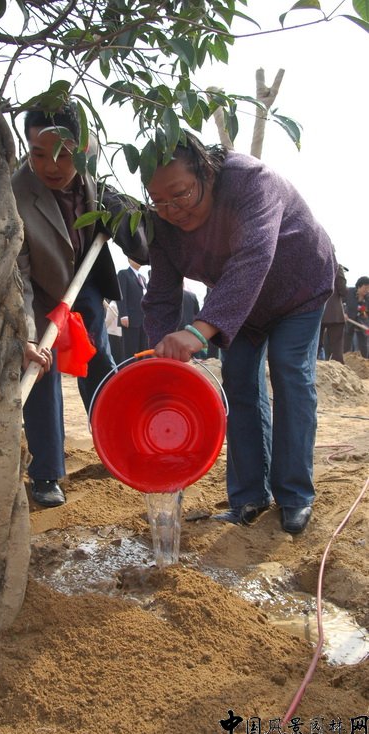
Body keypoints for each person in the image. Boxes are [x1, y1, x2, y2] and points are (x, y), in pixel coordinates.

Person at [142, 131, 336, 535]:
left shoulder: (250, 180)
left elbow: (253, 256)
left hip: (298, 287)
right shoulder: (162, 224)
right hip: (240, 304)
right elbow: (161, 294)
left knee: (289, 369)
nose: (172, 210)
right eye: (158, 201)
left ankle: (294, 494)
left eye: (180, 194)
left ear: (207, 173)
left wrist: (197, 331)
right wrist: (162, 355)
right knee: (238, 380)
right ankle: (249, 496)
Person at [13, 101, 148, 508]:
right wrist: (25, 334)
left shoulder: (93, 177)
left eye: (63, 155)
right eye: (39, 154)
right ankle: (46, 473)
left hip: (83, 280)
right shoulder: (15, 193)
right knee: (40, 369)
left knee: (98, 360)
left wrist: (118, 216)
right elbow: (17, 274)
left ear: (84, 148)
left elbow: (142, 246)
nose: (51, 166)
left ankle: (117, 445)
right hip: (38, 288)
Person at [117, 258, 149, 359]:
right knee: (130, 351)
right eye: (135, 258)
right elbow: (121, 295)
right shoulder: (124, 274)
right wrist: (123, 315)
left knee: (142, 351)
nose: (138, 260)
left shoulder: (143, 278)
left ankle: (141, 368)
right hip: (130, 320)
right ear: (129, 259)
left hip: (143, 321)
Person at [318, 262, 347, 364]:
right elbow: (343, 290)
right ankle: (338, 370)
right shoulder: (337, 266)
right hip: (335, 314)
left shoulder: (316, 263)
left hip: (317, 310)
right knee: (337, 348)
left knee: (315, 346)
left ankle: (314, 368)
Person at [344, 275, 369, 358]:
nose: (367, 290)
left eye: (368, 288)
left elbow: (366, 313)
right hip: (349, 321)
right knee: (346, 346)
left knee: (364, 347)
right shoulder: (349, 292)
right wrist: (343, 313)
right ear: (359, 286)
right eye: (365, 288)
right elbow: (340, 302)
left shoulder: (368, 298)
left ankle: (365, 362)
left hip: (363, 325)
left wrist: (365, 323)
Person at [104, 298, 124, 364]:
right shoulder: (119, 305)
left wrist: (103, 328)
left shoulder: (112, 305)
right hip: (118, 333)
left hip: (112, 333)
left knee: (114, 354)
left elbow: (108, 321)